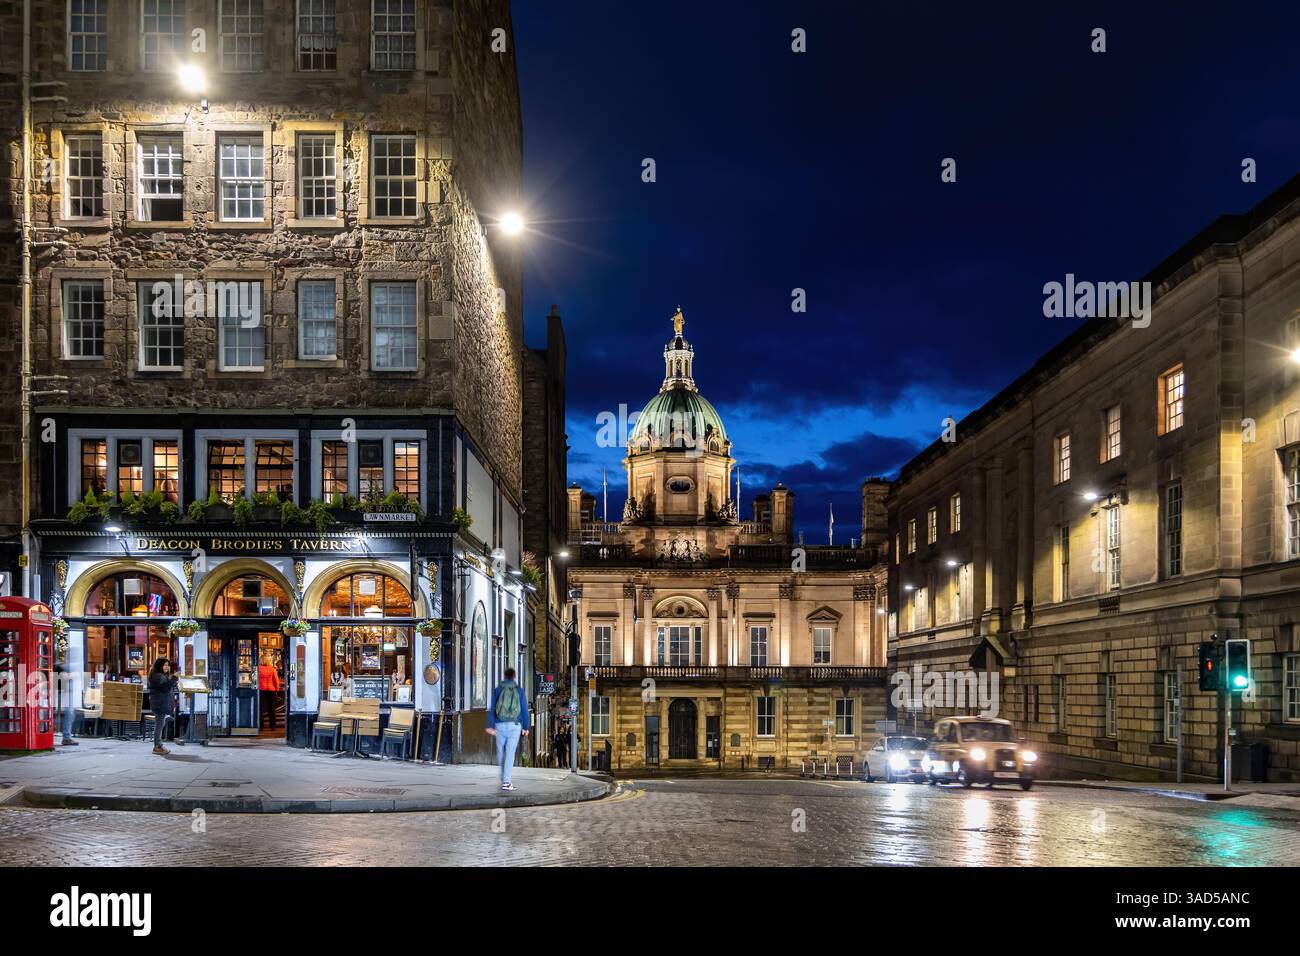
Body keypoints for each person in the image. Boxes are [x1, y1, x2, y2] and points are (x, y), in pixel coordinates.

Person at [485, 667, 530, 791]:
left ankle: (504, 778)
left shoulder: (498, 690)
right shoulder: (519, 690)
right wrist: (526, 727)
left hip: (499, 725)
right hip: (514, 726)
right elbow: (524, 710)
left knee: (500, 752)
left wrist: (490, 725)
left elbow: (492, 708)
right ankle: (506, 781)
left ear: (504, 677)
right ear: (514, 677)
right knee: (510, 754)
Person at [147, 658, 177, 756]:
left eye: (168, 665)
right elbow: (165, 688)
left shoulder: (159, 675)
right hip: (160, 704)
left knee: (160, 724)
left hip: (159, 703)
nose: (167, 667)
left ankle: (159, 745)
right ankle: (157, 746)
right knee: (159, 725)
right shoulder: (158, 676)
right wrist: (174, 678)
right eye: (164, 665)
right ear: (159, 666)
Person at [258, 652, 282, 731]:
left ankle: (261, 726)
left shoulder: (258, 669)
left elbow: (254, 680)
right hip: (271, 690)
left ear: (260, 660)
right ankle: (273, 726)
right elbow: (276, 681)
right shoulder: (272, 669)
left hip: (261, 690)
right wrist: (277, 689)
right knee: (271, 708)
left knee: (260, 709)